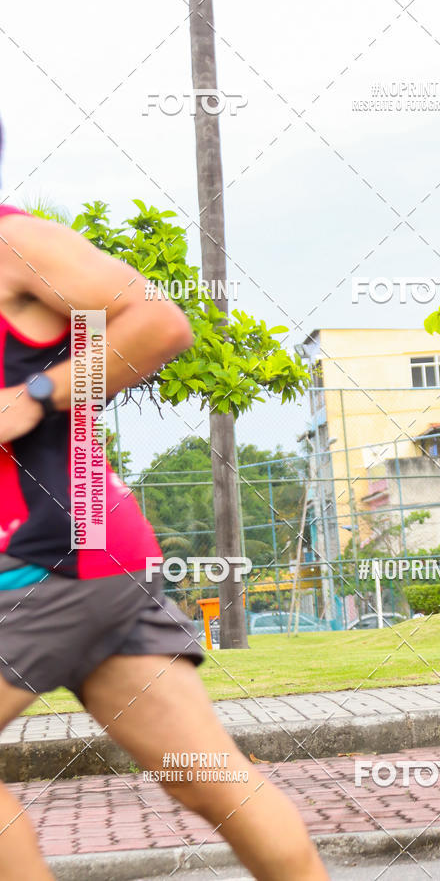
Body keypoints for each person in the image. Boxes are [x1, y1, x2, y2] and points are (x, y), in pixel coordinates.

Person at [0, 153, 329, 879]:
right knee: (204, 775)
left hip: (55, 557)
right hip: (93, 567)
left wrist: (36, 395)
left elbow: (157, 320)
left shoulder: (18, 245)